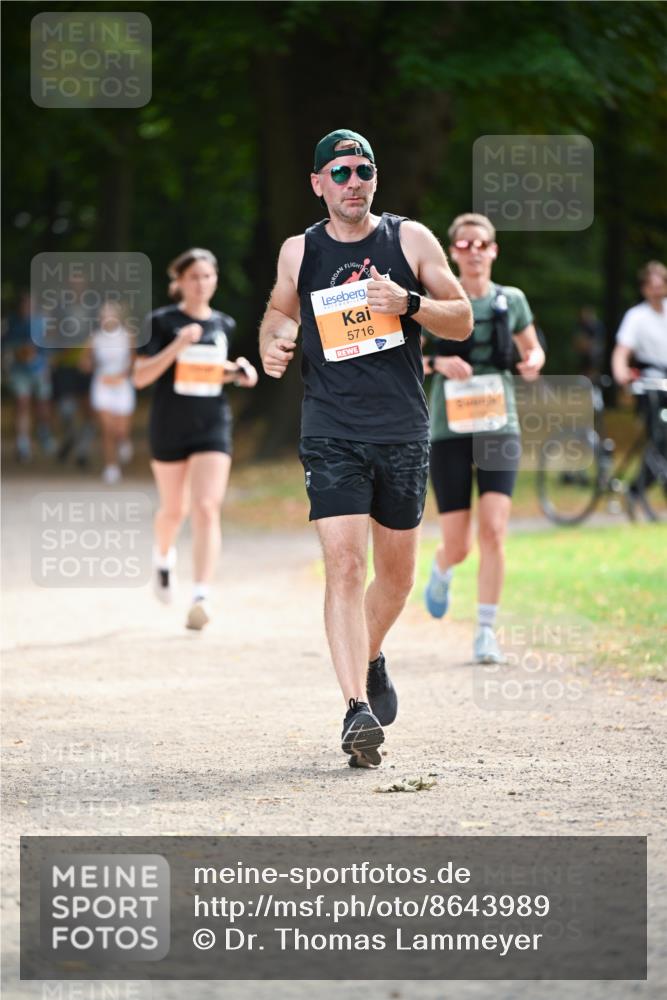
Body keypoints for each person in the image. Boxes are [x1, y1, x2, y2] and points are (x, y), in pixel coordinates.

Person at [259, 129, 472, 768]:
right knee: (346, 566)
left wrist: (408, 302)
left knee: (397, 577)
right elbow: (278, 310)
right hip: (329, 428)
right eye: (342, 172)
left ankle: (370, 653)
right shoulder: (302, 250)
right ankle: (356, 709)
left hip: (403, 428)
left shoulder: (410, 240)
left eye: (365, 170)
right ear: (318, 182)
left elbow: (461, 317)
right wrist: (274, 339)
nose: (356, 181)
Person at [423, 213, 545, 664]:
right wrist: (437, 365)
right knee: (460, 543)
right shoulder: (434, 300)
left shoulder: (510, 300)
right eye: (464, 245)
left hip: (498, 423)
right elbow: (403, 362)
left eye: (481, 244)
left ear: (494, 250)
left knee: (493, 530)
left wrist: (533, 360)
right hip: (449, 428)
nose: (473, 251)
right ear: (452, 253)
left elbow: (532, 348)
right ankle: (440, 567)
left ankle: (486, 631)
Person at [134, 248, 258, 630]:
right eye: (194, 277)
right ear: (179, 282)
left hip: (212, 424)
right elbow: (141, 377)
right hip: (170, 424)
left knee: (206, 507)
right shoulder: (160, 321)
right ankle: (163, 556)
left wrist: (239, 372)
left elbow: (208, 372)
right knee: (175, 510)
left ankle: (201, 595)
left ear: (215, 279)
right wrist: (176, 345)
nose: (201, 284)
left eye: (208, 276)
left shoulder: (224, 324)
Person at [611, 260, 667, 505]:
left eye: (661, 284)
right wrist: (621, 372)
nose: (657, 290)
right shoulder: (636, 316)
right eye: (652, 285)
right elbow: (621, 351)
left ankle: (639, 487)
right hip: (650, 380)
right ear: (644, 288)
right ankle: (638, 490)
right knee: (657, 436)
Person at [82, 300, 136, 485]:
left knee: (120, 430)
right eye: (104, 314)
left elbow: (133, 361)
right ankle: (111, 466)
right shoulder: (95, 338)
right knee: (107, 429)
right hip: (102, 384)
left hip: (121, 385)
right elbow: (85, 363)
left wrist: (121, 376)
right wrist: (88, 364)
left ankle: (124, 441)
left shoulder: (127, 336)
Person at [1, 290, 55, 461]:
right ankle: (23, 442)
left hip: (39, 369)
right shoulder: (12, 322)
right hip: (19, 371)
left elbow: (50, 346)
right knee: (22, 403)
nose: (26, 307)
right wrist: (17, 352)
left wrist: (43, 360)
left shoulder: (42, 322)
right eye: (24, 304)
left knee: (43, 404)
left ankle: (43, 433)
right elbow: (5, 345)